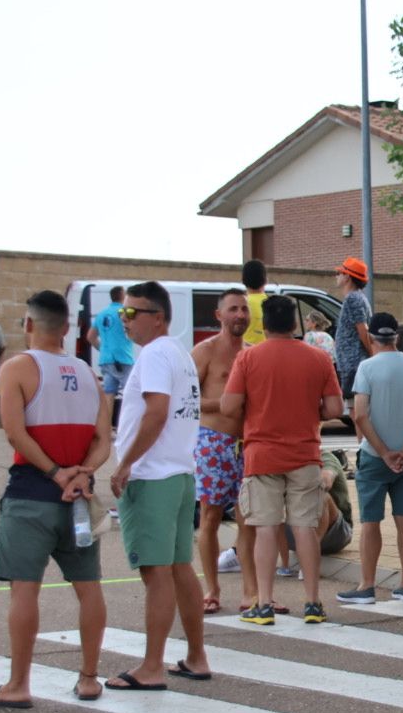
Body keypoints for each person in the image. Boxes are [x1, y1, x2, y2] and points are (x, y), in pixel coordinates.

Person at [0, 289, 112, 708]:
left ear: (28, 324)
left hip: (32, 493)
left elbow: (15, 432)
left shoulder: (18, 367)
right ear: (67, 329)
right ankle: (89, 678)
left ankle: (18, 684)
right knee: (89, 589)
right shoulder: (90, 375)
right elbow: (104, 439)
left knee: (24, 589)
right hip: (77, 499)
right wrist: (82, 473)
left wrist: (55, 473)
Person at [106, 281, 209, 690]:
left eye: (132, 313)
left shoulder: (153, 354)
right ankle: (196, 655)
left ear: (158, 317)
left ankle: (152, 665)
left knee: (157, 573)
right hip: (180, 472)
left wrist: (125, 463)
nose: (125, 321)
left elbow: (157, 412)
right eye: (123, 314)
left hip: (154, 476)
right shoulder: (178, 353)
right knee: (180, 567)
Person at [223, 294, 344, 626]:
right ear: (294, 323)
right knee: (305, 528)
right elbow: (335, 409)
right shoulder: (318, 358)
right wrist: (311, 410)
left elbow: (228, 406)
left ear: (265, 323)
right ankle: (313, 602)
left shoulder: (248, 359)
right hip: (305, 454)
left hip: (261, 455)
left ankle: (263, 604)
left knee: (265, 529)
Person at [337, 312, 403, 607]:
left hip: (375, 456)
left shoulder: (367, 367)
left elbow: (361, 415)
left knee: (371, 521)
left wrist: (383, 452)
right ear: (396, 337)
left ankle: (367, 585)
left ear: (372, 338)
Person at [191, 288, 253, 616]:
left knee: (248, 519)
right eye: (233, 309)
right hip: (213, 441)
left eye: (244, 309)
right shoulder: (204, 352)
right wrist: (225, 404)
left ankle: (249, 590)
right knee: (210, 516)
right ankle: (211, 589)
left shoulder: (253, 353)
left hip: (247, 445)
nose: (240, 315)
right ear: (219, 315)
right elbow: (184, 399)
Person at [89, 285, 136, 426]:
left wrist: (103, 349)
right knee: (131, 394)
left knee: (109, 394)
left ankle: (106, 429)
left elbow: (90, 337)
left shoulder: (101, 314)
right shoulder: (124, 313)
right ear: (123, 296)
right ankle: (127, 426)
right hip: (123, 358)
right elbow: (133, 332)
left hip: (106, 360)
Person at [332, 257, 374, 401]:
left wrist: (373, 355)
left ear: (348, 276)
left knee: (354, 409)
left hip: (353, 364)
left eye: (339, 273)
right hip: (352, 363)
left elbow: (363, 330)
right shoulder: (358, 297)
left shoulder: (353, 299)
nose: (336, 276)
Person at [241, 258, 269, 346]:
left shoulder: (239, 305)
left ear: (243, 280)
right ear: (265, 280)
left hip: (243, 356)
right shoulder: (273, 305)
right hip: (266, 355)